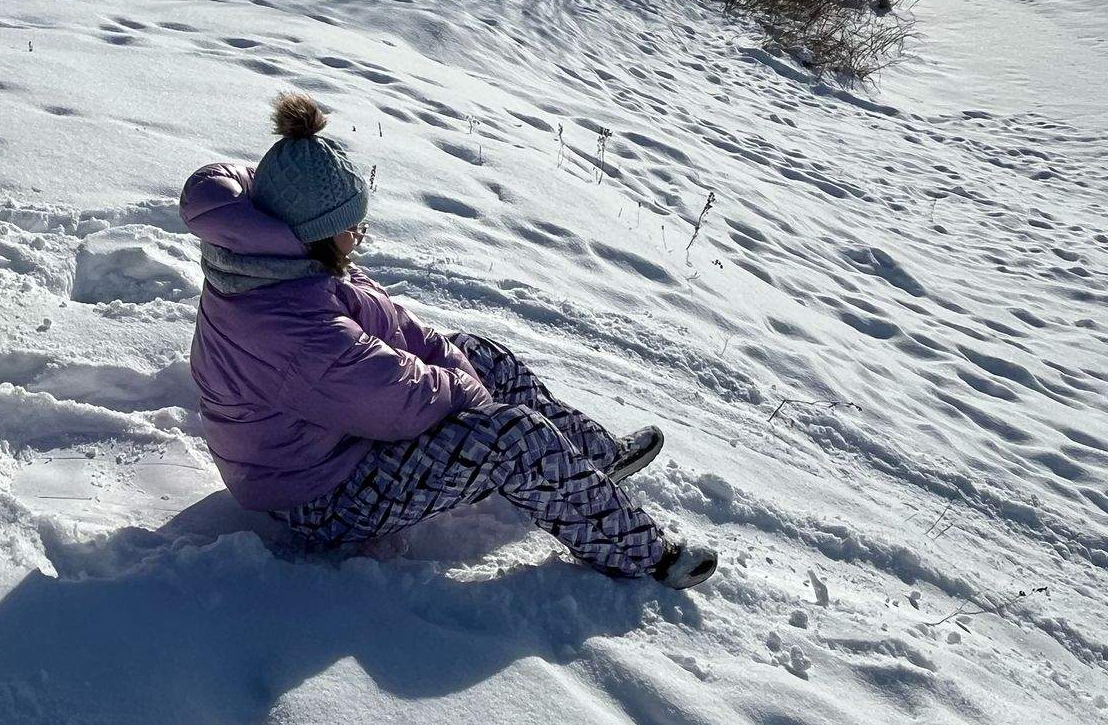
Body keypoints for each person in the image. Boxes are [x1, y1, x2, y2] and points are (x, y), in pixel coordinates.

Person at [180, 93, 719, 589]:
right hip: (317, 494)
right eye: (352, 228)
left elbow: (393, 329)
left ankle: (594, 459)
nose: (360, 237)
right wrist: (471, 396)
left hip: (330, 438)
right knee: (512, 437)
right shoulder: (296, 329)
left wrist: (457, 365)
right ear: (314, 232)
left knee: (478, 354)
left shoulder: (281, 262)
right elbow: (398, 400)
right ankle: (646, 557)